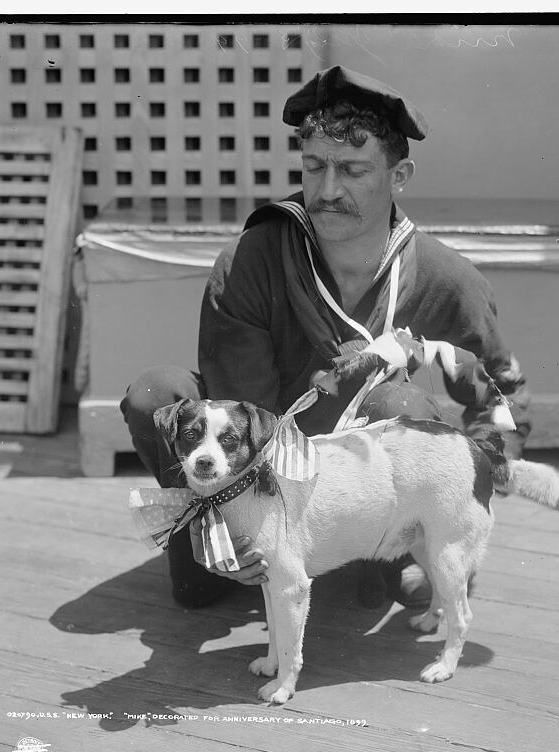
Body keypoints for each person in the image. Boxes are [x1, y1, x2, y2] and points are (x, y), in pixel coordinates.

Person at [121, 65, 531, 609]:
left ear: (400, 175)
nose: (329, 189)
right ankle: (208, 531)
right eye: (315, 166)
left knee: (404, 407)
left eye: (354, 170)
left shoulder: (446, 277)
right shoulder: (251, 258)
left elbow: (501, 391)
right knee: (155, 393)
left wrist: (469, 492)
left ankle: (385, 552)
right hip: (261, 454)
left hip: (363, 476)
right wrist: (239, 520)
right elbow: (240, 405)